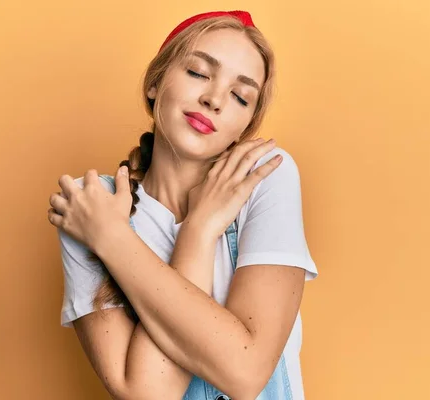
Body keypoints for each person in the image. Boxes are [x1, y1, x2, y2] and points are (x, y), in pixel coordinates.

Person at [48, 10, 318, 400]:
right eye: (198, 73)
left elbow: (245, 373)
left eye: (241, 97)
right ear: (155, 83)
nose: (214, 99)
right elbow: (149, 394)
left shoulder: (264, 176)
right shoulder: (91, 203)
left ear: (245, 126)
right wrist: (196, 234)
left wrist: (116, 238)